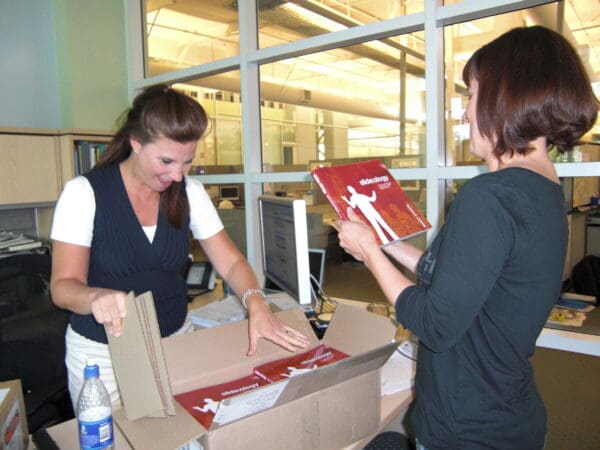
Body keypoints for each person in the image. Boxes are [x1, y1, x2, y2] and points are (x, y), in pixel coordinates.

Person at [337, 26, 598, 449]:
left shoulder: (490, 195)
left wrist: (367, 253)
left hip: (466, 430)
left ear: (504, 96)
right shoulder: (544, 190)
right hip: (507, 414)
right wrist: (386, 243)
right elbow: (467, 280)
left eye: (472, 94)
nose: (464, 113)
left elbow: (434, 324)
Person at [50, 85, 309, 408]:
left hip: (175, 345)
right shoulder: (83, 194)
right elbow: (62, 287)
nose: (176, 175)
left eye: (187, 163)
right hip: (103, 357)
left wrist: (256, 303)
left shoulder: (191, 193)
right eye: (166, 161)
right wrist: (94, 296)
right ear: (135, 144)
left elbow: (230, 263)